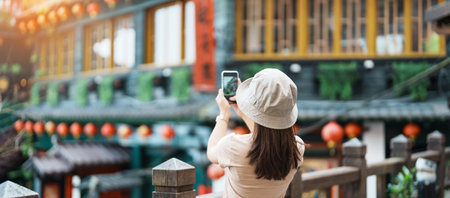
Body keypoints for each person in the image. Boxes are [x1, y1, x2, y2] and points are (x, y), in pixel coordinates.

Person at [207, 68, 305, 198]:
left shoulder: (233, 146)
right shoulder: (297, 148)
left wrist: (223, 115)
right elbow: (267, 137)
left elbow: (212, 151)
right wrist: (242, 111)